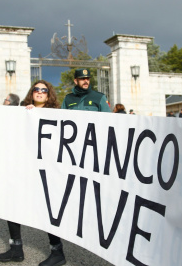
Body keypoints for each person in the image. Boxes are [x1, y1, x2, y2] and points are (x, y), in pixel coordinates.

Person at [37, 69, 111, 266]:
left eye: (88, 78)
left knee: (94, 195)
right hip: (72, 155)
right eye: (82, 78)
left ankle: (101, 237)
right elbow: (60, 122)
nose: (86, 81)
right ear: (76, 80)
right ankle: (63, 240)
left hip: (93, 154)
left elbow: (112, 123)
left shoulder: (99, 97)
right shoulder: (68, 99)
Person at [0, 80, 59, 263]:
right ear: (32, 92)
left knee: (48, 209)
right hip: (23, 165)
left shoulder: (56, 113)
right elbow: (1, 121)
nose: (39, 92)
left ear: (48, 94)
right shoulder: (21, 111)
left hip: (45, 168)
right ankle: (16, 249)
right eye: (36, 89)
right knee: (12, 205)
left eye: (43, 90)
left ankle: (57, 251)